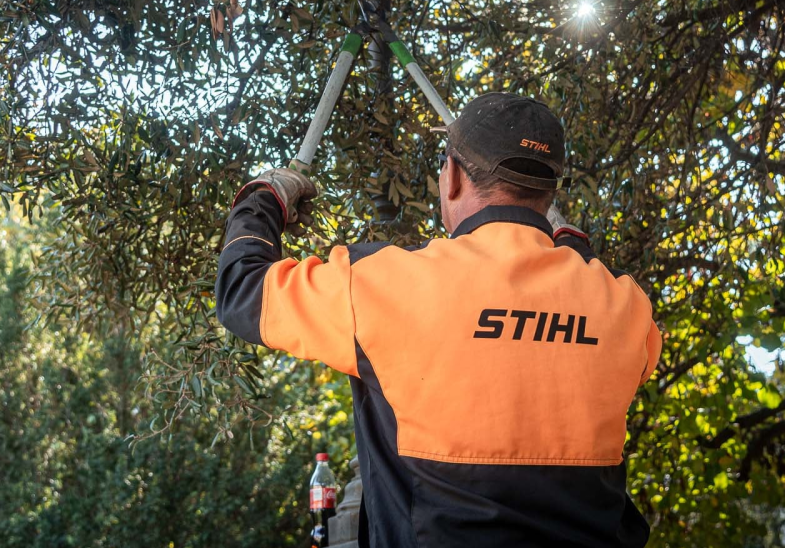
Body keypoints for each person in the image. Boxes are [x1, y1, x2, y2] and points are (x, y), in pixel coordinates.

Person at [216, 93, 662, 547]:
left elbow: (243, 290)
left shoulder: (386, 285)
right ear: (549, 193)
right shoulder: (625, 307)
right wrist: (573, 248)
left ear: (450, 178)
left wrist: (265, 197)